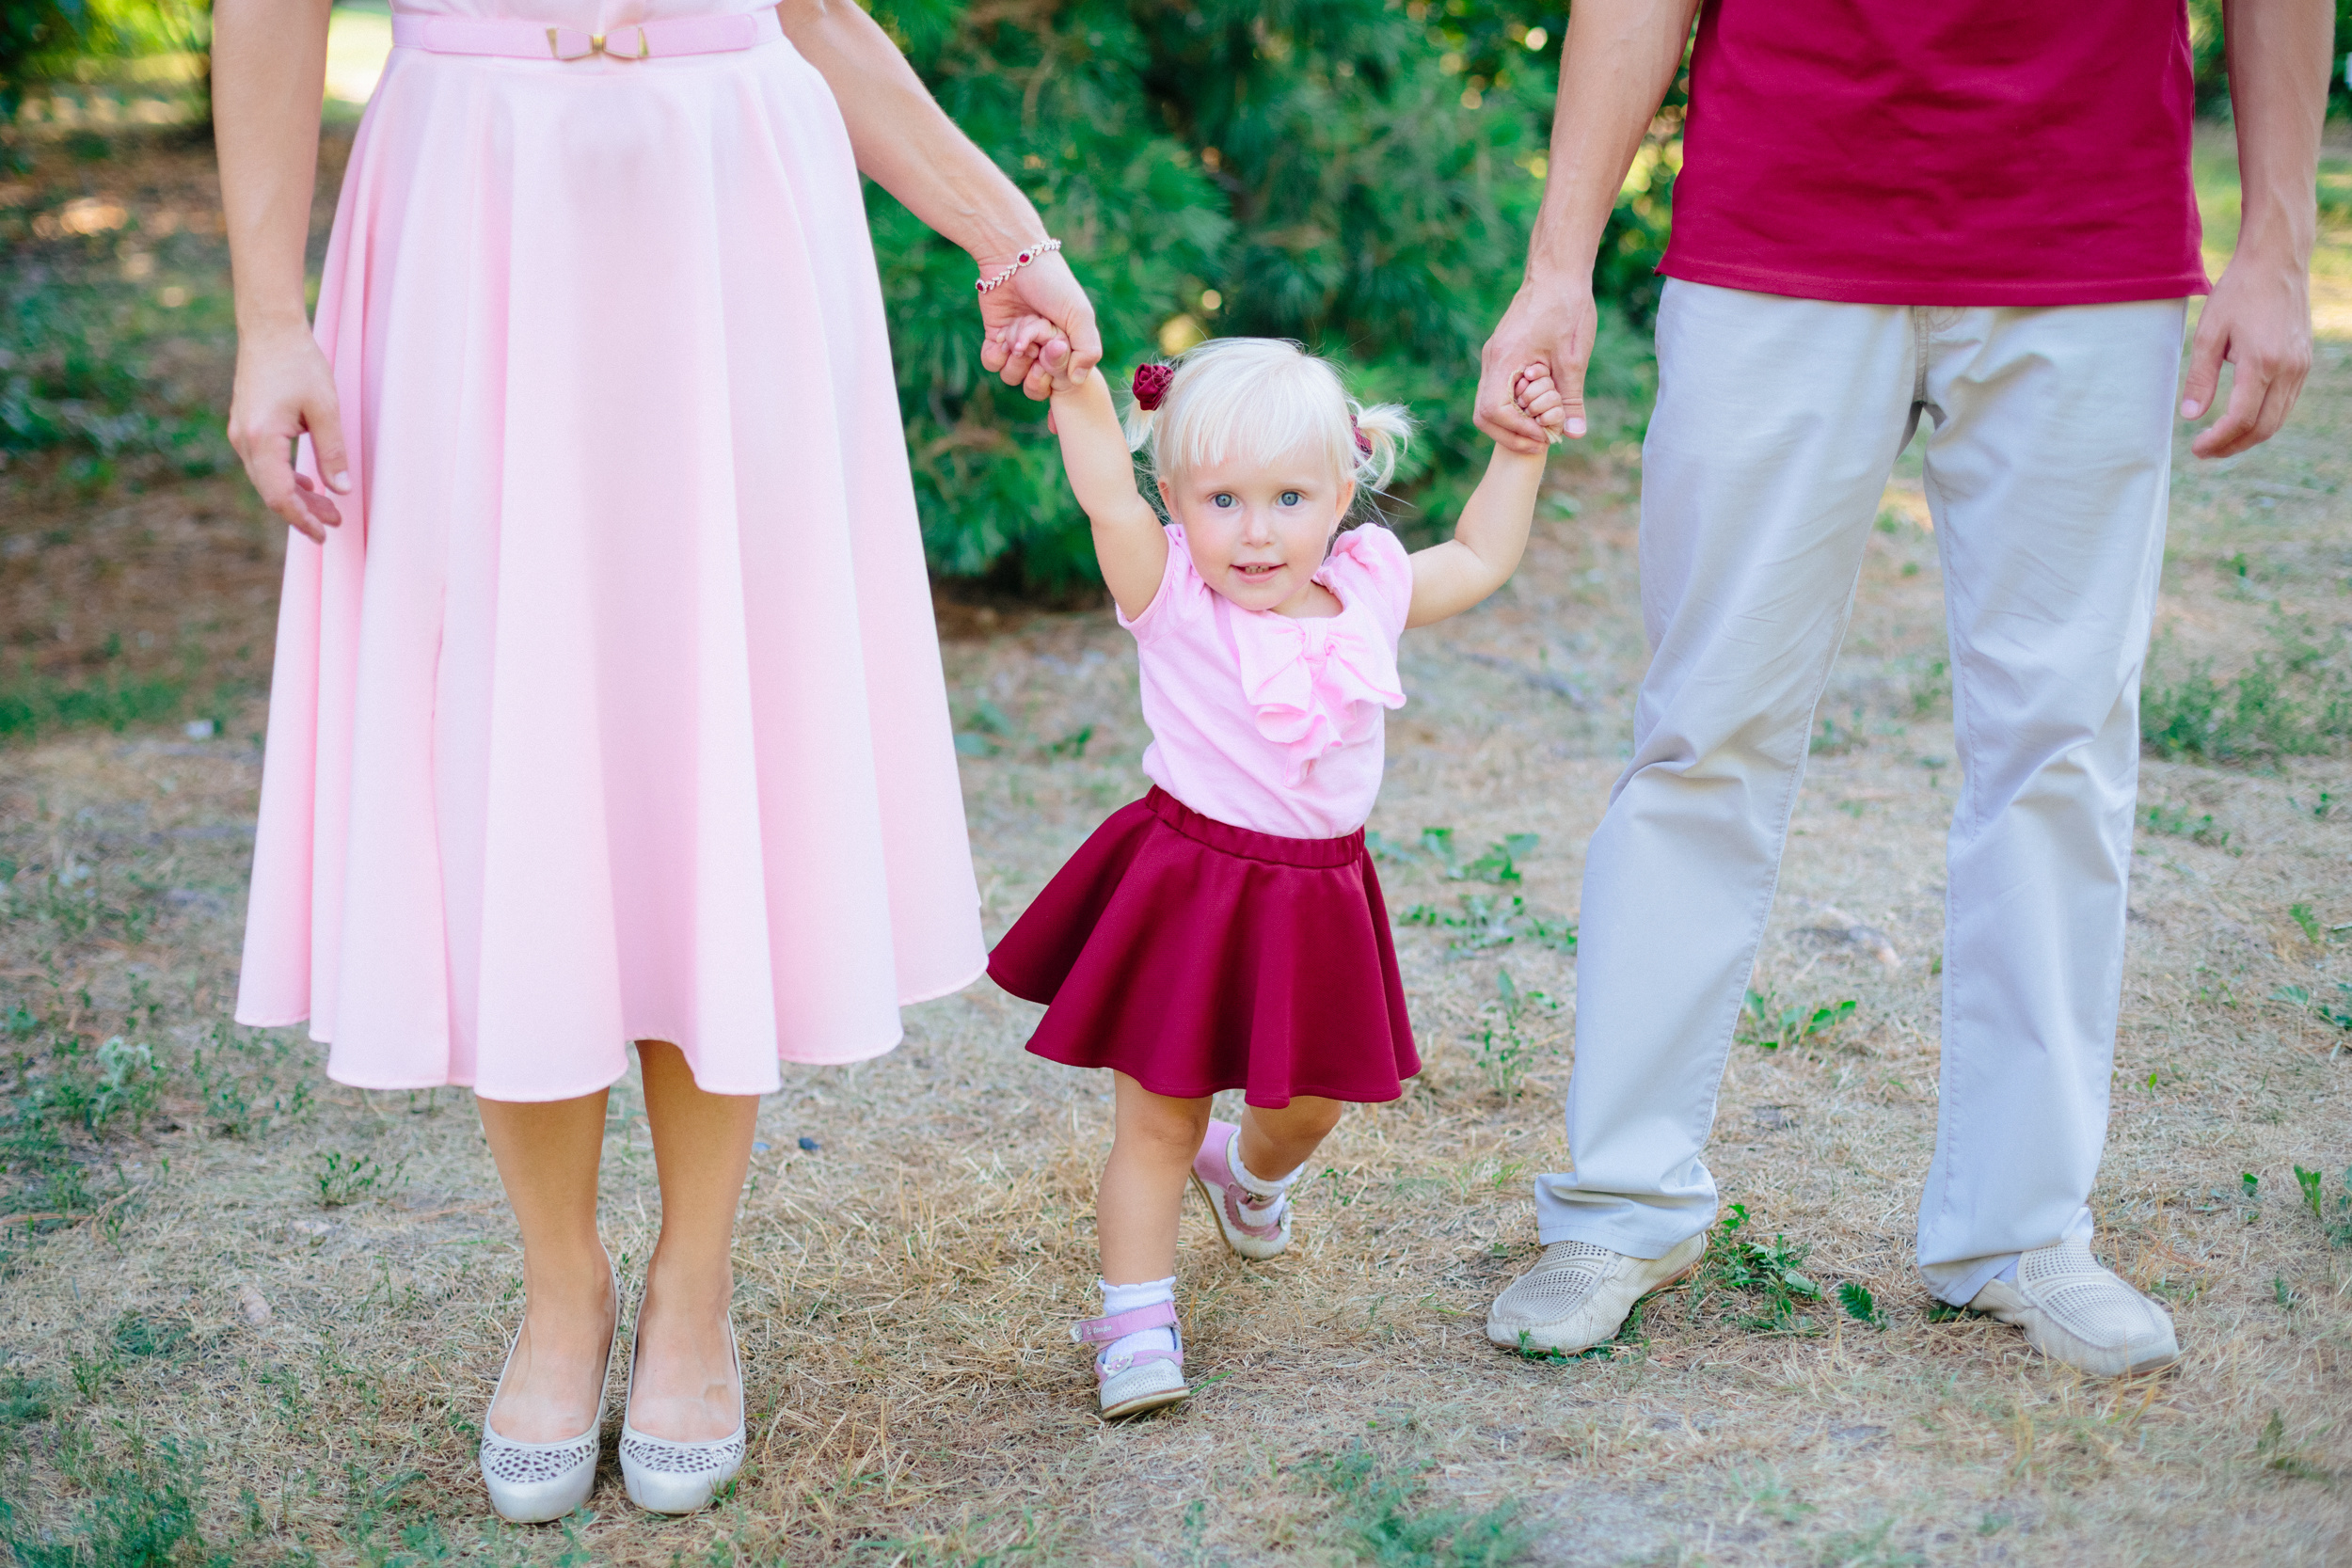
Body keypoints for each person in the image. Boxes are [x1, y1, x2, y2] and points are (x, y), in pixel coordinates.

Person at [212, 0, 1096, 1519]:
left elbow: (815, 13)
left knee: (705, 723)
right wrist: (265, 317)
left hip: (728, 201)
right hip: (469, 209)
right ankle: (563, 1288)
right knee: (506, 737)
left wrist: (1008, 237)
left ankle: (696, 1283)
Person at [1470, 0, 2328, 1376]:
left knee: (2062, 746)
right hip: (1779, 222)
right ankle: (1622, 1202)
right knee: (1705, 727)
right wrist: (1558, 259)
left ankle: (2021, 1224)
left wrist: (2276, 244)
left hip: (2087, 231)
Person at [988, 337, 1568, 1418]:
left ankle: (1248, 1173)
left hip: (1315, 897)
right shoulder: (1169, 593)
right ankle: (1134, 1322)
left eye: (1289, 497)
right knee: (1155, 1121)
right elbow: (1108, 502)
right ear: (1177, 499)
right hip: (1186, 886)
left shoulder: (1366, 592)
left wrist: (1519, 453)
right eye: (1222, 500)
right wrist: (1075, 391)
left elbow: (1481, 555)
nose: (1255, 531)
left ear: (1342, 496)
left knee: (1303, 1107)